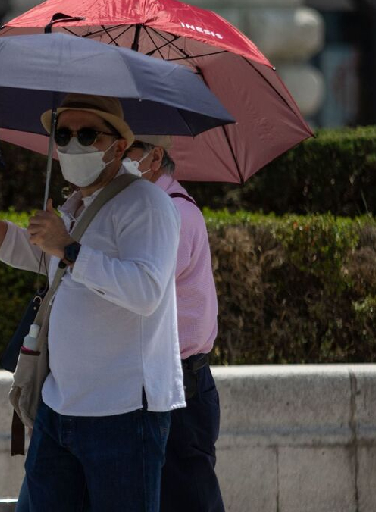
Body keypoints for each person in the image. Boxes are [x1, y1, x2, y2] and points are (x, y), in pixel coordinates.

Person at [0, 94, 184, 512]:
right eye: (62, 134)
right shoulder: (75, 204)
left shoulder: (146, 203)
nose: (72, 145)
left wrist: (69, 248)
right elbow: (42, 258)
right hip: (59, 404)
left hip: (122, 412)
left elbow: (145, 291)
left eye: (87, 134)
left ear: (119, 147)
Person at [123, 135, 225, 512]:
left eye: (127, 152)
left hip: (182, 382)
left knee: (188, 497)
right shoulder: (162, 208)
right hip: (169, 379)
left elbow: (142, 291)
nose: (117, 161)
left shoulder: (173, 214)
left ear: (155, 157)